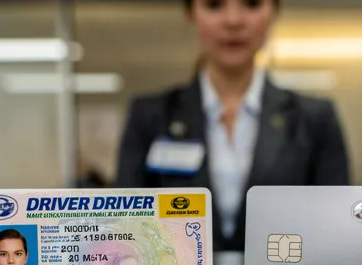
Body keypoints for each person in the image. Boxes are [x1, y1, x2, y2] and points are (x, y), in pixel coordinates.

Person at [115, 0, 350, 251]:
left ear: (274, 13)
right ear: (191, 14)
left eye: (252, 4)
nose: (234, 21)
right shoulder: (149, 116)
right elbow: (130, 228)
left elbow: (334, 229)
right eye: (214, 5)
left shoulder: (315, 119)